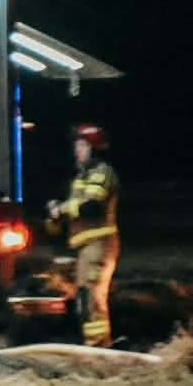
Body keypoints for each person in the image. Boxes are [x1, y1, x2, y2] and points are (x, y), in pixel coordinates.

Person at [47, 123, 120, 348]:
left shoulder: (101, 173)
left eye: (82, 145)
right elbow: (76, 207)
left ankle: (98, 348)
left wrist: (62, 209)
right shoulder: (82, 177)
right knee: (84, 298)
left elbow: (91, 206)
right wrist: (56, 215)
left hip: (99, 244)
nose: (76, 150)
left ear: (94, 149)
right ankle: (94, 346)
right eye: (77, 145)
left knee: (91, 298)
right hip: (86, 247)